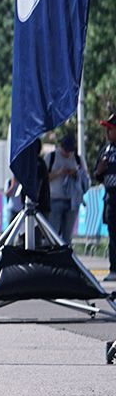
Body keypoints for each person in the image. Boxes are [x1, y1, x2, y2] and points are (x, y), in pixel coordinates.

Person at [44, 134, 86, 245]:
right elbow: (43, 179)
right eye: (65, 150)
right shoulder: (51, 157)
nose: (68, 154)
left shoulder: (77, 159)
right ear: (60, 147)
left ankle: (64, 258)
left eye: (70, 151)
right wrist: (60, 172)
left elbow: (85, 178)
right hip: (54, 199)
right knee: (52, 234)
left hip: (72, 201)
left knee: (67, 237)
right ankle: (50, 258)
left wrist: (75, 174)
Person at [94, 113, 116, 281]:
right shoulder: (105, 151)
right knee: (113, 235)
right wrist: (99, 171)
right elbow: (97, 175)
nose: (107, 133)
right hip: (111, 198)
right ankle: (114, 269)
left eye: (110, 129)